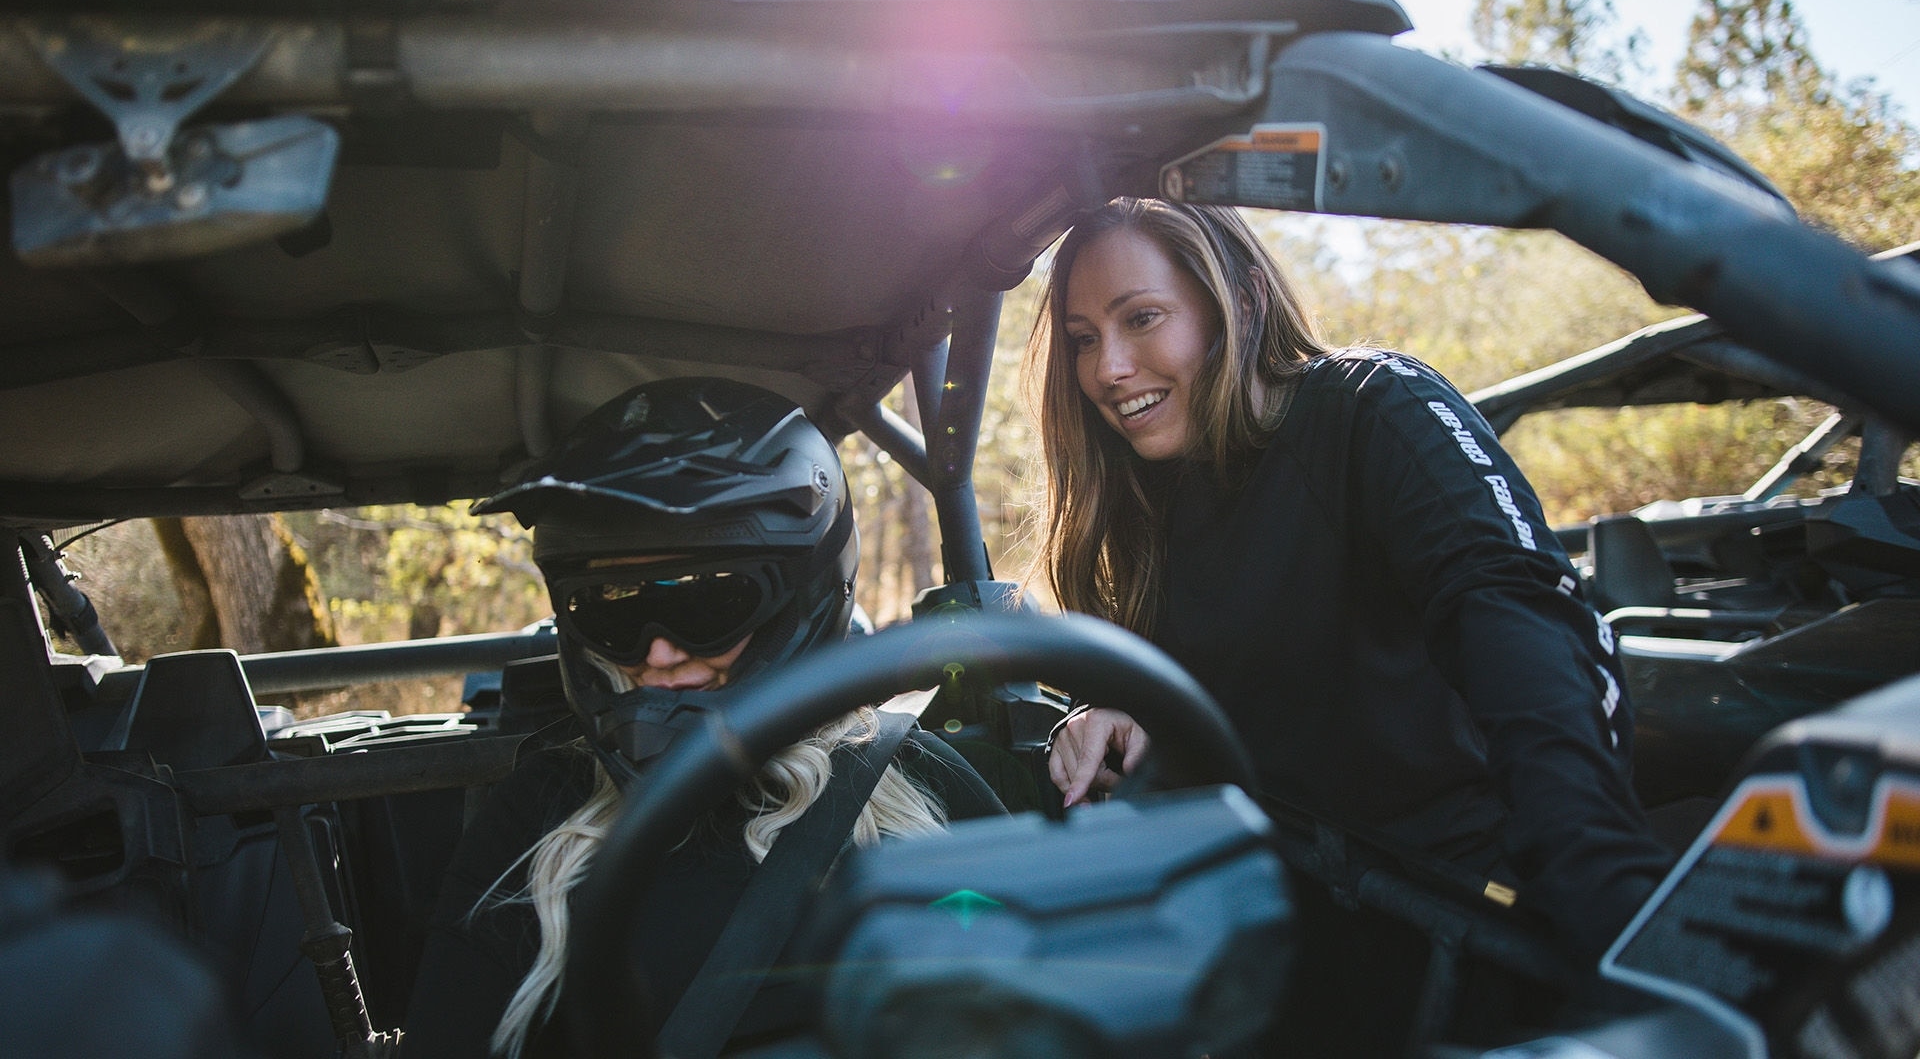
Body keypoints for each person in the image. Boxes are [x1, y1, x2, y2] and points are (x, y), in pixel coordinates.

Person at [1026, 198, 1671, 970]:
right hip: (1274, 931)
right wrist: (1100, 712)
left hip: (1459, 911)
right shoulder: (1137, 499)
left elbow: (1511, 604)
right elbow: (1147, 678)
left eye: (1142, 318)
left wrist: (1592, 864)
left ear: (1242, 299)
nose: (1108, 369)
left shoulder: (1373, 408)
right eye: (1084, 340)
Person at [403, 377, 1004, 1059]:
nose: (658, 652)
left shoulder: (911, 783)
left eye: (707, 601)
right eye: (612, 606)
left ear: (802, 595)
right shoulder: (539, 815)